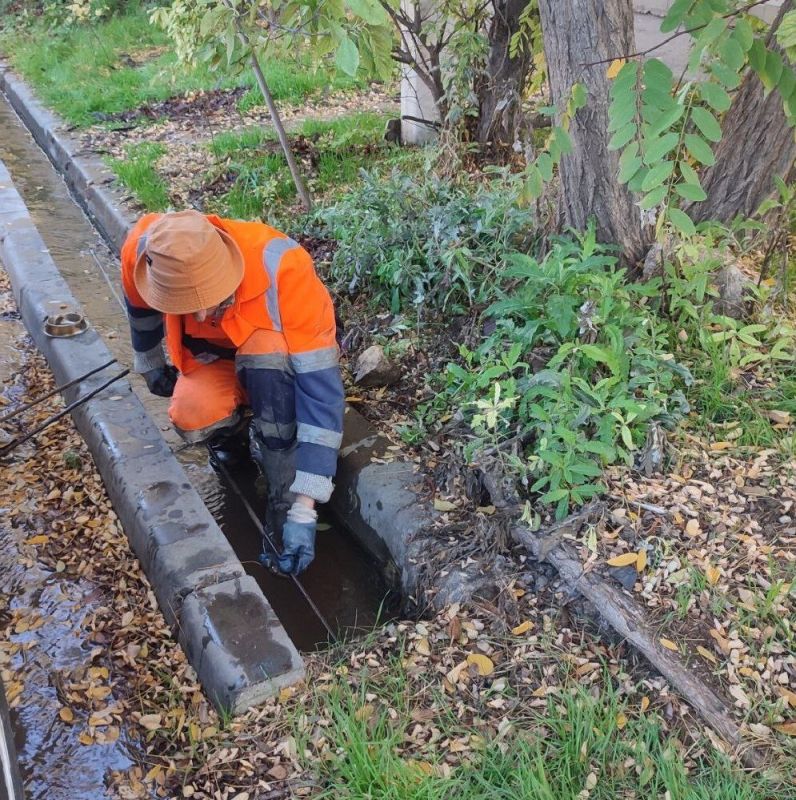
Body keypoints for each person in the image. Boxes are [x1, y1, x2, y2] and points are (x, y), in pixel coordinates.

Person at [120, 209, 345, 576]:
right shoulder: (147, 252)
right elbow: (139, 308)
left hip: (275, 367)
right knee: (192, 411)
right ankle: (232, 437)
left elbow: (320, 396)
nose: (198, 315)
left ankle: (279, 482)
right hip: (215, 360)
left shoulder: (284, 269)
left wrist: (303, 507)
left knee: (268, 358)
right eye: (181, 307)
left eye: (205, 303)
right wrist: (148, 361)